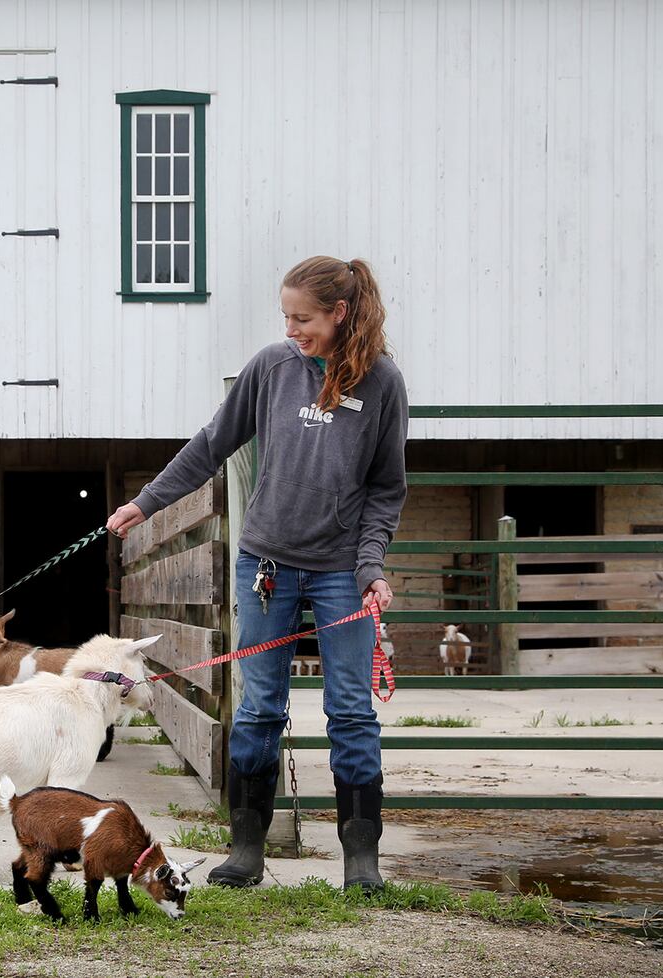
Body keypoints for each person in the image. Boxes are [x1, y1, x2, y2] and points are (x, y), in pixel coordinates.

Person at [106, 256, 408, 892]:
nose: (292, 329)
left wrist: (372, 565)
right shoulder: (272, 368)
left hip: (341, 573)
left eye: (303, 318)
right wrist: (146, 502)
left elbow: (386, 490)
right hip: (267, 563)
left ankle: (361, 859)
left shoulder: (382, 383)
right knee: (259, 707)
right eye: (286, 317)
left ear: (340, 314)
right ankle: (247, 849)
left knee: (351, 712)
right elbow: (212, 443)